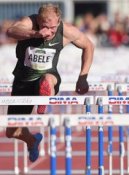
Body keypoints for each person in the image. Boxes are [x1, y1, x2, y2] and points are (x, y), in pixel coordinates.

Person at [5, 3, 94, 162]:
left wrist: (83, 77)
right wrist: (35, 34)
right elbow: (11, 31)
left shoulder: (66, 30)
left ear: (59, 20)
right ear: (38, 20)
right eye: (45, 26)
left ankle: (44, 100)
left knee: (47, 80)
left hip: (49, 75)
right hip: (23, 81)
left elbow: (88, 45)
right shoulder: (30, 23)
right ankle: (32, 141)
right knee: (12, 131)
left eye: (53, 27)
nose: (49, 31)